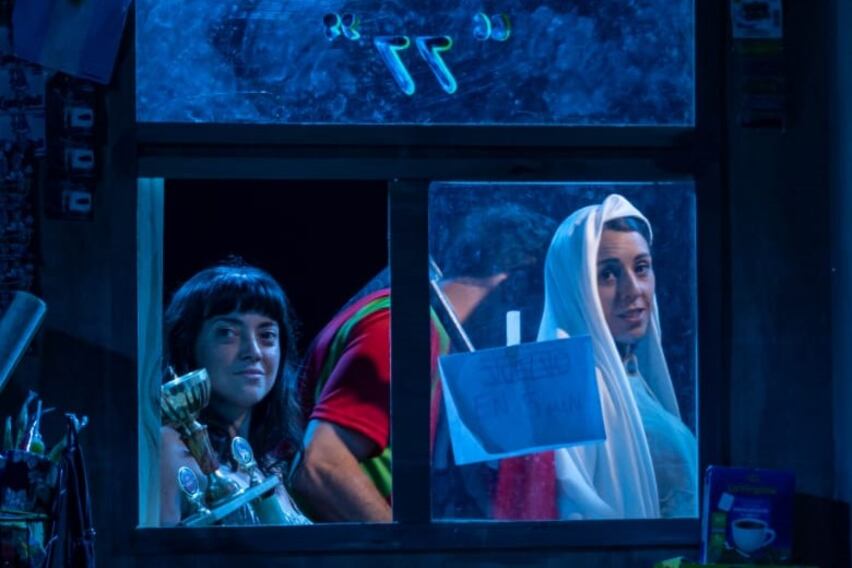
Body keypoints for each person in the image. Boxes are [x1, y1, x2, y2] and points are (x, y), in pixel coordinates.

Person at [291, 205, 557, 522]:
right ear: (514, 286)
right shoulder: (405, 328)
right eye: (537, 304)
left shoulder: (421, 327)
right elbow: (320, 465)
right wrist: (407, 547)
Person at [497, 193, 697, 520]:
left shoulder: (631, 378)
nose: (634, 290)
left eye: (641, 268)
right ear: (574, 288)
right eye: (608, 274)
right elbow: (571, 514)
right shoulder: (569, 390)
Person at [159, 262, 310, 525]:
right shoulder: (170, 449)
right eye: (227, 333)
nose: (253, 351)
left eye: (267, 335)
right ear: (188, 344)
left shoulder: (268, 463)